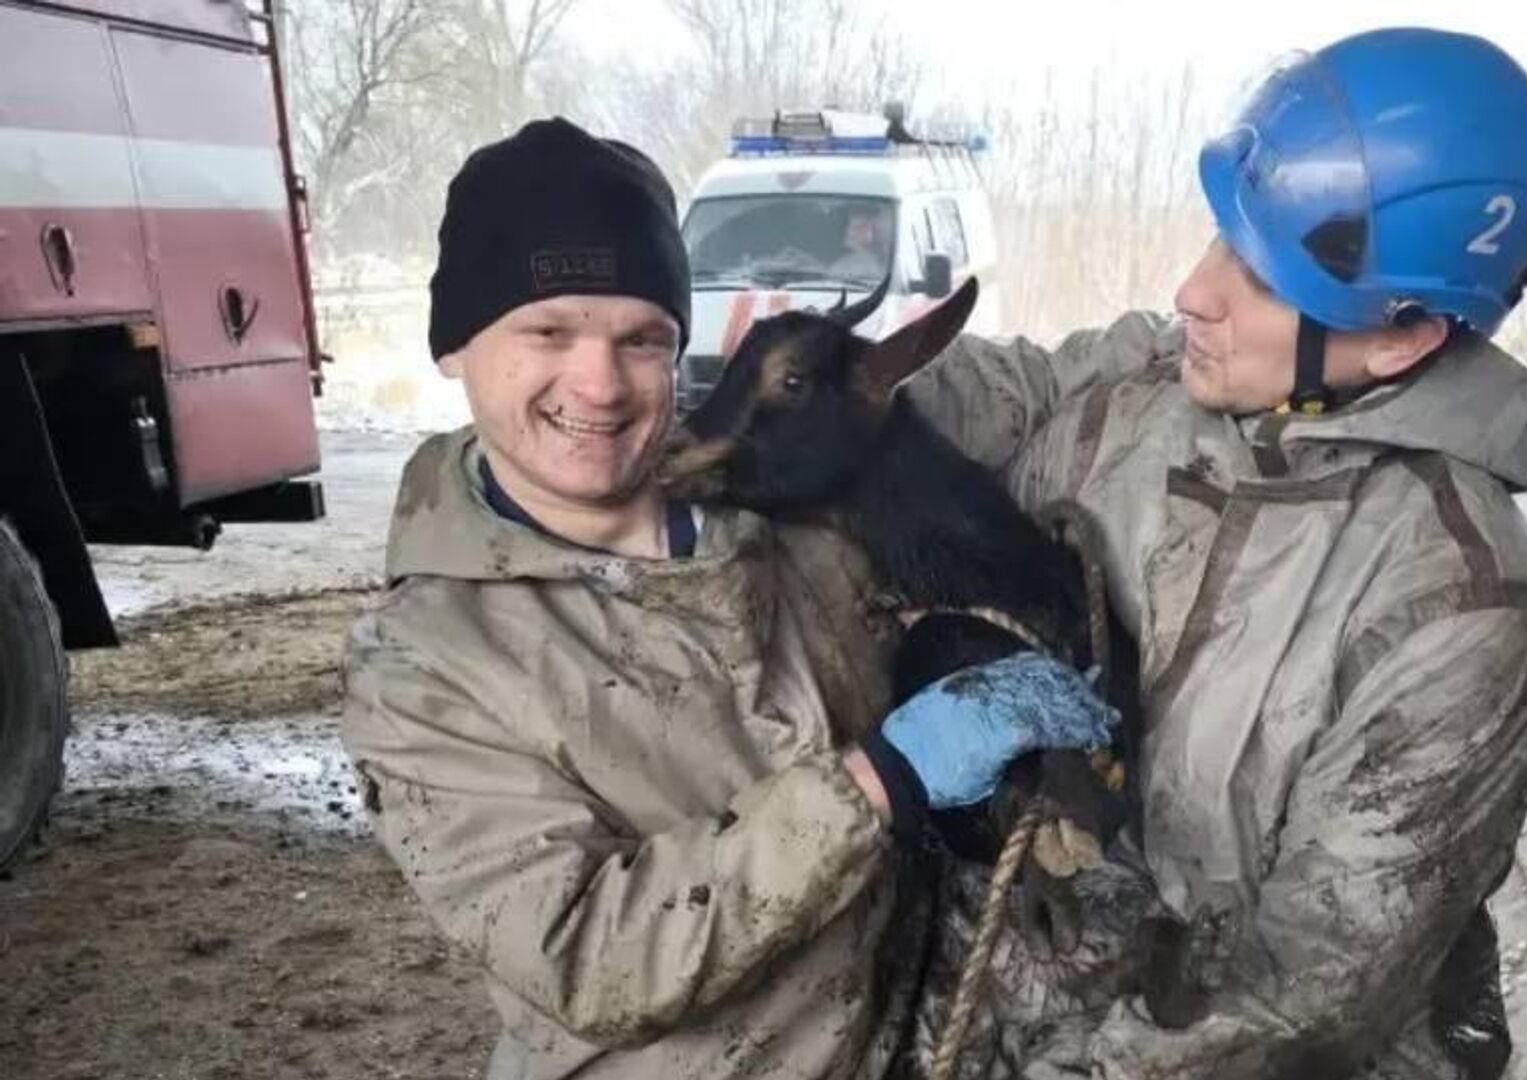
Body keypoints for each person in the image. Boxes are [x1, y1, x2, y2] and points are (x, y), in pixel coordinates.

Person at [338, 118, 1114, 1080]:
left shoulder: (783, 499)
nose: (599, 381)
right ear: (455, 346)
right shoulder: (426, 671)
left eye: (641, 339)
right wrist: (884, 779)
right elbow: (590, 958)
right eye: (547, 331)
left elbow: (1025, 382)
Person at [904, 28, 1527, 1079]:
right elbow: (1003, 394)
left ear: (1399, 338)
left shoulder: (1462, 613)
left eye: (1258, 273)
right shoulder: (1146, 398)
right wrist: (786, 385)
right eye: (1220, 235)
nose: (1192, 291)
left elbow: (1299, 1000)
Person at [829, 204, 892, 282]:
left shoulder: (892, 260)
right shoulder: (844, 267)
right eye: (860, 227)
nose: (871, 230)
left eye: (873, 226)